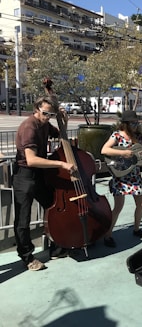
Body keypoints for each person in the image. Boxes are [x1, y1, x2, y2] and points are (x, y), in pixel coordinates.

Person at [13, 96, 76, 271]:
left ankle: (56, 246)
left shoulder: (44, 124)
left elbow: (60, 135)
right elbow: (31, 160)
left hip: (39, 175)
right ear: (36, 109)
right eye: (45, 113)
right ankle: (27, 257)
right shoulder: (29, 127)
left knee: (52, 207)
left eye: (51, 114)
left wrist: (64, 120)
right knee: (23, 220)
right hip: (24, 175)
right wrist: (61, 164)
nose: (48, 117)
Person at [101, 110, 142, 248]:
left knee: (141, 204)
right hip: (120, 175)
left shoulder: (138, 137)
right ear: (125, 124)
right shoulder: (117, 136)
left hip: (134, 175)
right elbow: (104, 150)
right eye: (132, 123)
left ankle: (137, 229)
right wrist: (123, 152)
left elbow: (141, 158)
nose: (135, 125)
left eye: (136, 122)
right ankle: (108, 235)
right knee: (118, 206)